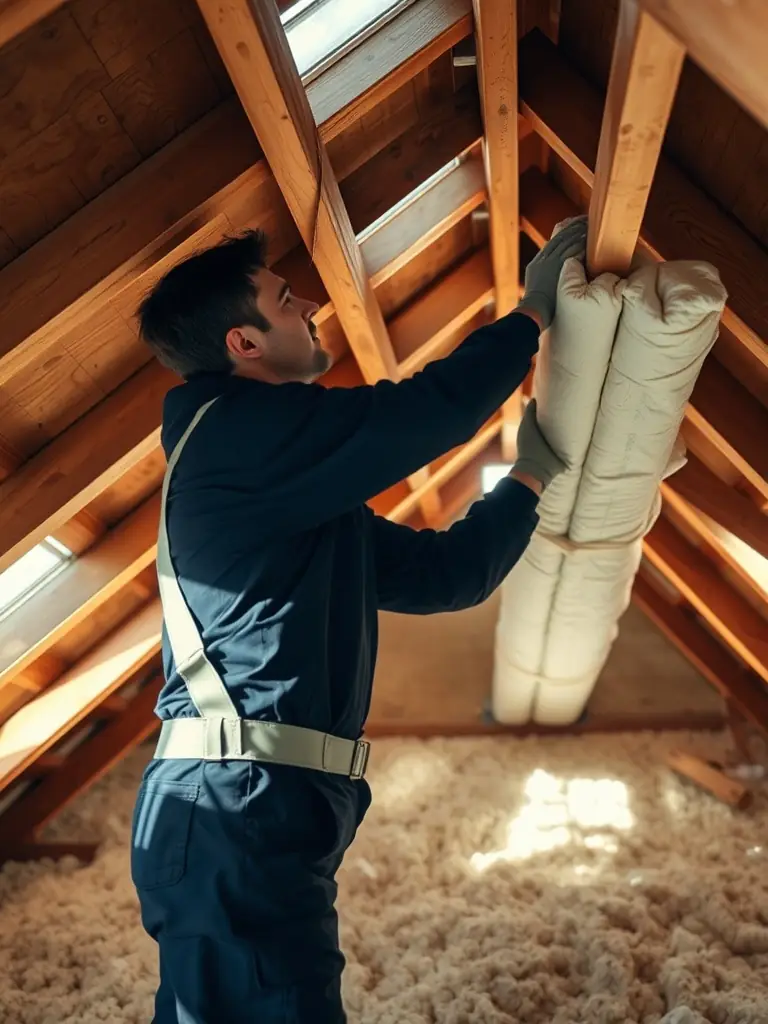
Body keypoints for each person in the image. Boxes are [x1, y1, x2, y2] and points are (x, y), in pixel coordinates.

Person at [130, 215, 588, 1023]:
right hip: (231, 809)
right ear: (245, 344)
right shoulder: (236, 438)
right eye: (282, 298)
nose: (308, 303)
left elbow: (447, 575)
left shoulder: (287, 491)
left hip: (259, 807)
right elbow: (423, 415)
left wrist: (526, 482)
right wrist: (529, 318)